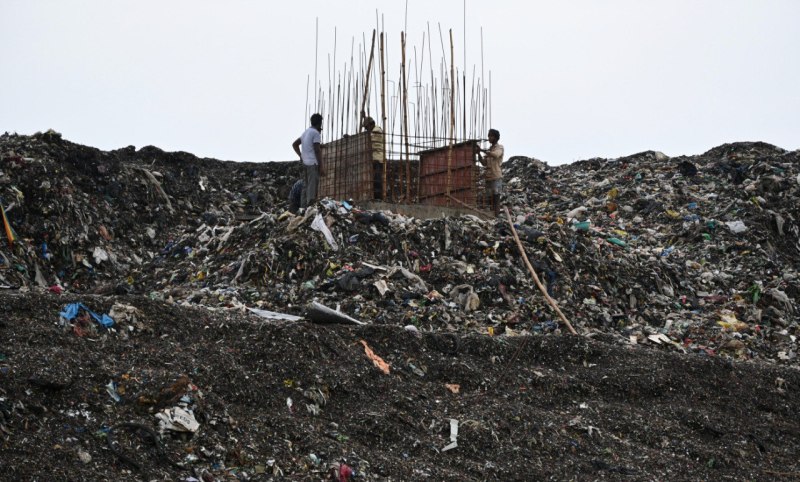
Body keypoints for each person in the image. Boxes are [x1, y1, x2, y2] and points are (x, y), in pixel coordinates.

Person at [292, 113, 324, 209]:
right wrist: (321, 166)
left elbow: (295, 144)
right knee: (312, 186)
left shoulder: (305, 133)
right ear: (320, 123)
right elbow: (317, 150)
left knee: (305, 186)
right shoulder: (316, 133)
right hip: (312, 163)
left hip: (305, 163)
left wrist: (301, 156)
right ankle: (310, 208)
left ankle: (303, 208)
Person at [476, 128, 504, 215]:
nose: (489, 138)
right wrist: (479, 154)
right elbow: (484, 163)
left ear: (495, 137)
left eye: (491, 136)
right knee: (489, 197)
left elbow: (496, 155)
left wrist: (483, 151)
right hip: (488, 177)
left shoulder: (499, 148)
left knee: (496, 196)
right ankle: (492, 215)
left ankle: (497, 215)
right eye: (488, 136)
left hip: (496, 176)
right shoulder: (489, 149)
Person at [361, 110, 385, 199]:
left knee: (377, 180)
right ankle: (376, 197)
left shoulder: (377, 130)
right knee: (374, 179)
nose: (367, 129)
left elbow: (369, 138)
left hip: (377, 159)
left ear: (372, 124)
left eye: (367, 127)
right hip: (374, 159)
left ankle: (378, 198)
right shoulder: (373, 130)